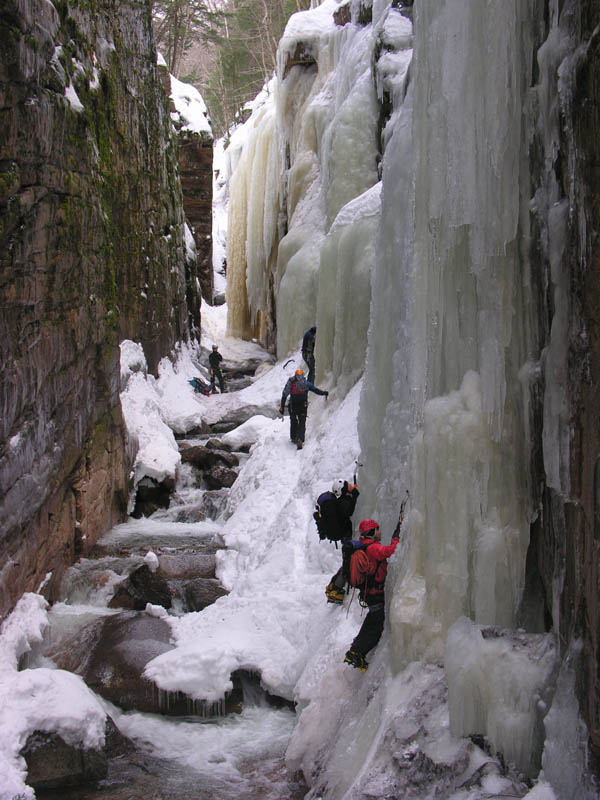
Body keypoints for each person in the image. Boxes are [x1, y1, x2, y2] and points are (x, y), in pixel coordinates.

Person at [343, 518, 399, 672]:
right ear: (372, 532)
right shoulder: (373, 548)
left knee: (374, 620)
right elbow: (390, 551)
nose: (380, 531)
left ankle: (357, 651)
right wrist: (396, 537)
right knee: (375, 622)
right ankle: (356, 651)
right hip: (375, 593)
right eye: (377, 529)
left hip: (370, 592)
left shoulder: (366, 547)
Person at [319, 479, 359, 604]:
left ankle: (333, 587)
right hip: (346, 537)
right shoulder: (342, 502)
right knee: (348, 563)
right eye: (348, 486)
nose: (350, 486)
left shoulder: (339, 502)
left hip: (344, 536)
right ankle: (335, 588)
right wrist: (355, 495)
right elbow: (349, 511)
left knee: (347, 561)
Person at [279, 368, 328, 449]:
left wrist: (282, 407)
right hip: (303, 404)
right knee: (302, 421)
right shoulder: (305, 382)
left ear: (295, 375)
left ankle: (293, 437)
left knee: (293, 420)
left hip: (293, 405)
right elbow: (315, 390)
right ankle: (300, 439)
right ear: (302, 375)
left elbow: (285, 394)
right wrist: (324, 393)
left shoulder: (291, 381)